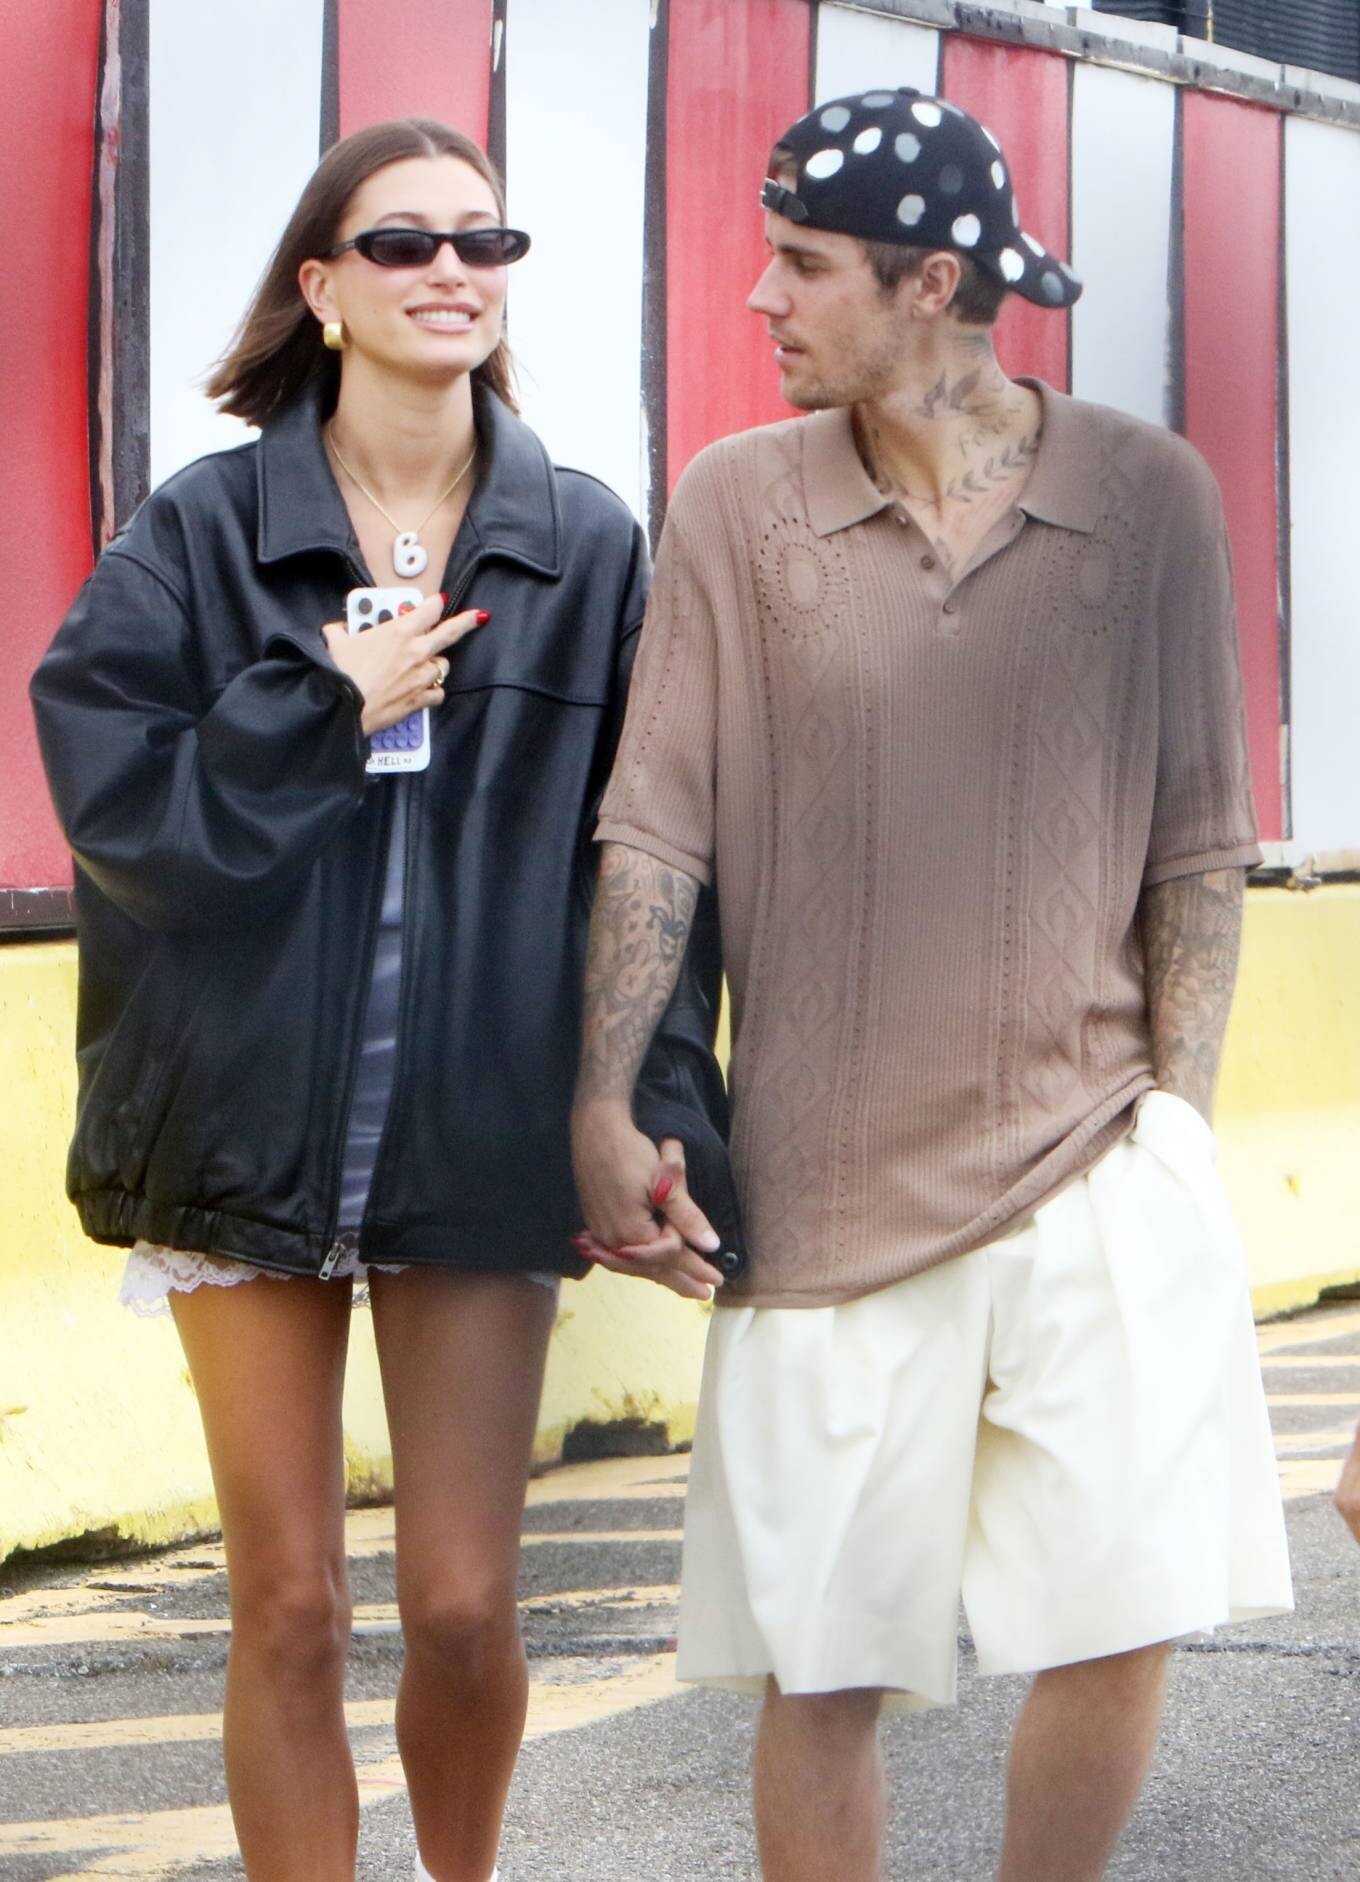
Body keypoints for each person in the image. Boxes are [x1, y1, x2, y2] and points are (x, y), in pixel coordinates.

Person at [570, 87, 1293, 1882]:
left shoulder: (1150, 496)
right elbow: (656, 829)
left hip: (1093, 1164)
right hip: (822, 1195)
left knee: (1120, 1616)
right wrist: (602, 1102)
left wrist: (1178, 1130)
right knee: (824, 1668)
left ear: (934, 284)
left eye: (805, 264)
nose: (762, 297)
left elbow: (1198, 842)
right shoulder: (735, 507)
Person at [31, 118, 721, 1882]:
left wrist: (652, 1105)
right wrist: (320, 707)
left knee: (467, 1604)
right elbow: (118, 807)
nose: (450, 273)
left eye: (484, 243)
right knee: (288, 1605)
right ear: (323, 287)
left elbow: (649, 858)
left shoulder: (585, 546)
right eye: (404, 242)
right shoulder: (202, 531)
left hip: (478, 1130)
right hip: (240, 1115)